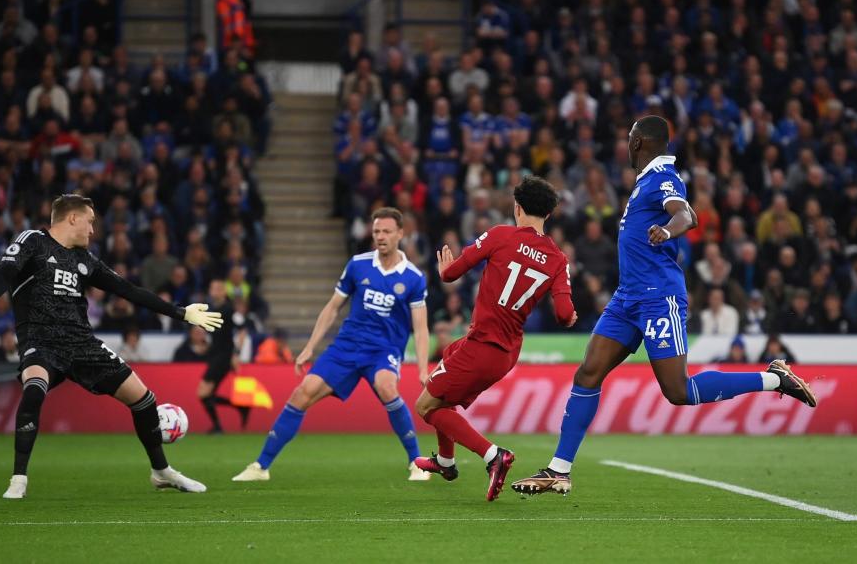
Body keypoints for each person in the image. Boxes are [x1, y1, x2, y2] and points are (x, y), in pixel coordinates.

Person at [510, 116, 817, 497]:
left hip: (658, 298)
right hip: (627, 298)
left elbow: (686, 213)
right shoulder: (644, 183)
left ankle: (774, 379)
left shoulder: (663, 178)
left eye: (628, 139)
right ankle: (559, 470)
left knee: (678, 390)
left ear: (638, 142)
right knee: (588, 373)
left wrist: (668, 230)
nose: (625, 145)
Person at [0, 194, 223, 499]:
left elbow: (128, 290)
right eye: (90, 221)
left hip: (83, 344)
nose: (93, 230)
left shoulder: (84, 259)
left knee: (145, 400)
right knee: (34, 388)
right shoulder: (33, 240)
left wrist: (182, 312)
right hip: (41, 341)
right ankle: (18, 479)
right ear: (72, 218)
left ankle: (161, 472)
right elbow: (7, 272)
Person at [232, 207, 431, 482]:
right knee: (302, 392)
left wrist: (422, 368)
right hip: (346, 347)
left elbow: (420, 328)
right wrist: (310, 347)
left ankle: (417, 463)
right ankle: (260, 466)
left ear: (400, 233)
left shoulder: (413, 277)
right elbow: (332, 308)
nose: (380, 237)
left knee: (387, 387)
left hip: (382, 350)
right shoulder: (357, 264)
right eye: (376, 231)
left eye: (386, 231)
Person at [413, 176, 577, 501]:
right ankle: (446, 461)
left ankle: (493, 456)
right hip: (505, 352)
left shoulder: (502, 235)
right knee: (443, 373)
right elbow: (564, 313)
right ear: (548, 214)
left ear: (517, 207)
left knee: (425, 406)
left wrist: (445, 269)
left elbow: (451, 273)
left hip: (482, 345)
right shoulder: (558, 260)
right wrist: (570, 316)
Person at [196, 279, 251, 433]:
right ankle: (239, 408)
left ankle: (218, 426)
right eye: (213, 288)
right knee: (207, 394)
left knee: (203, 392)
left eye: (218, 288)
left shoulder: (230, 309)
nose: (215, 291)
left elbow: (242, 330)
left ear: (224, 292)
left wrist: (236, 354)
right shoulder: (212, 309)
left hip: (224, 356)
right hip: (215, 355)